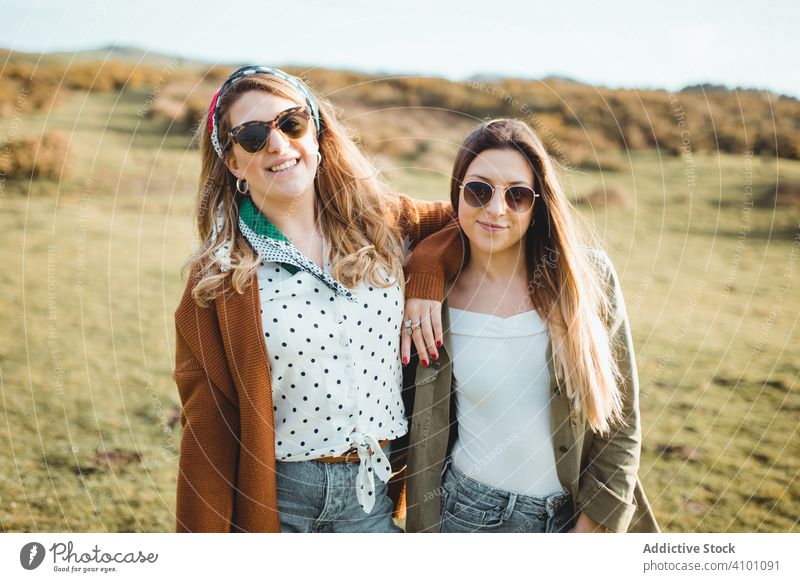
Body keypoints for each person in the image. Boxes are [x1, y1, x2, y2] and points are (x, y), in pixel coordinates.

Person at [172, 66, 459, 532]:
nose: (279, 145)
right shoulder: (218, 279)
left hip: (374, 499)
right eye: (252, 136)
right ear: (231, 162)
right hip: (280, 504)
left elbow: (470, 220)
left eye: (292, 123)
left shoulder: (384, 223)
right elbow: (208, 430)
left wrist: (426, 269)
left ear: (317, 131)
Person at [399, 119, 659, 533]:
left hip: (573, 516)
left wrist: (592, 530)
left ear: (538, 204)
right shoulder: (431, 301)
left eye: (517, 195)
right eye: (479, 190)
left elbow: (622, 423)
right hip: (465, 517)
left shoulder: (586, 281)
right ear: (457, 192)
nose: (496, 209)